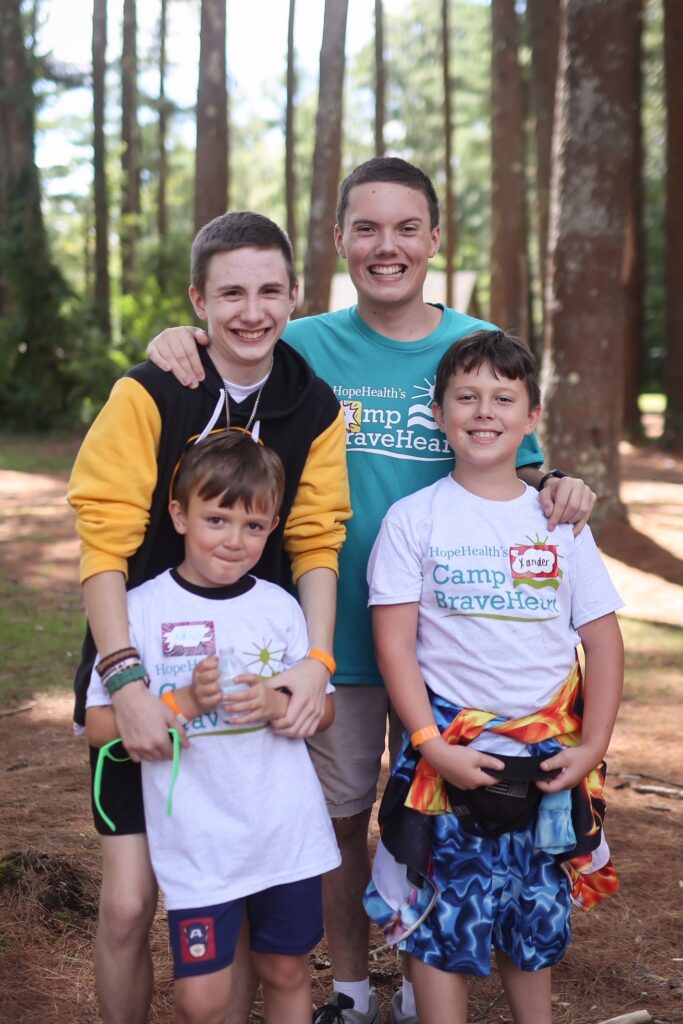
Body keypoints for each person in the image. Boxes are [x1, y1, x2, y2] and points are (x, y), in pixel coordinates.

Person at [147, 158, 597, 1024]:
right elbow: (231, 334)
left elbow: (518, 459)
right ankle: (352, 987)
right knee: (342, 817)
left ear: (433, 239)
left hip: (458, 652)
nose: (384, 247)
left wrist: (565, 482)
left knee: (456, 807)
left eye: (404, 228)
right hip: (337, 636)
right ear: (340, 241)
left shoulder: (472, 340)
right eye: (366, 229)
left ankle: (438, 965)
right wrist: (178, 336)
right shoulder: (306, 339)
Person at [67, 211, 351, 1024]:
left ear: (295, 297)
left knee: (251, 915)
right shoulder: (152, 388)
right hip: (141, 651)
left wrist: (317, 661)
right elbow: (104, 543)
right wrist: (120, 677)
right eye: (230, 292)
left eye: (269, 290)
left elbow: (316, 540)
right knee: (127, 904)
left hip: (246, 657)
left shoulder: (313, 403)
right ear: (198, 299)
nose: (251, 310)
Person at [364, 329, 623, 1024]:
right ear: (440, 411)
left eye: (503, 398)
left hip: (546, 766)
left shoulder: (560, 524)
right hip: (447, 761)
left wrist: (593, 745)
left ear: (532, 416)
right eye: (466, 397)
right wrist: (431, 743)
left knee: (532, 923)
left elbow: (601, 643)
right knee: (439, 925)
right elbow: (393, 647)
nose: (484, 412)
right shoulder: (411, 520)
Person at [85, 432, 341, 1024]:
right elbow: (100, 725)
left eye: (253, 526)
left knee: (287, 971)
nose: (234, 541)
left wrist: (279, 706)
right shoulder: (141, 609)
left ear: (274, 526)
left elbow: (320, 711)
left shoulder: (279, 606)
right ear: (178, 514)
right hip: (198, 845)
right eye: (216, 519)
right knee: (200, 1000)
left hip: (284, 834)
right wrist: (180, 702)